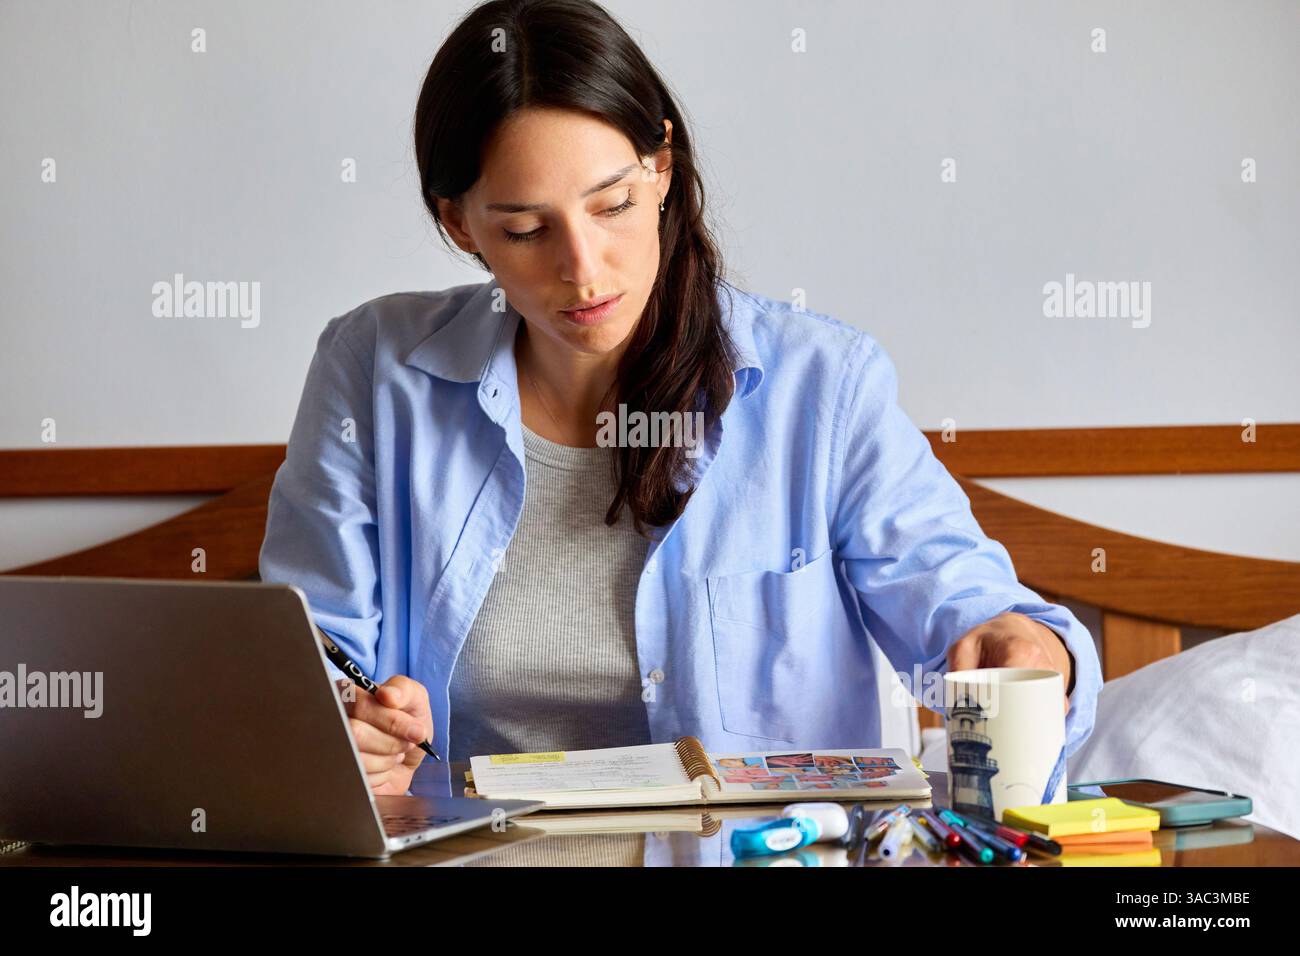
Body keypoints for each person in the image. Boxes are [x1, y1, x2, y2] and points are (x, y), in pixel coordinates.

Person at [258, 0, 1100, 797]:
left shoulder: (821, 387)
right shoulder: (375, 371)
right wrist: (346, 729)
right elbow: (309, 659)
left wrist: (1029, 649)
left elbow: (965, 604)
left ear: (662, 167)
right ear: (458, 226)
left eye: (614, 204)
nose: (583, 268)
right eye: (525, 229)